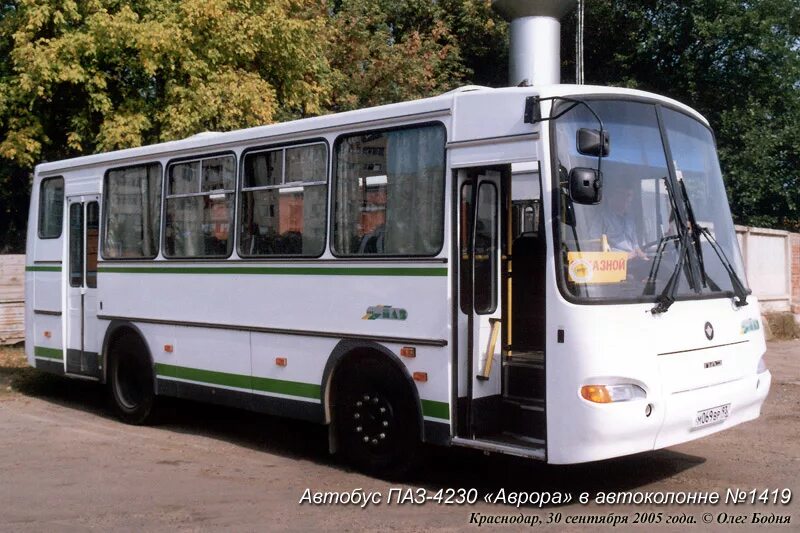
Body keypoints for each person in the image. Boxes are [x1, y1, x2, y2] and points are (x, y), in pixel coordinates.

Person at [601, 188, 647, 259]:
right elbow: (594, 245)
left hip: (633, 260)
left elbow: (635, 245)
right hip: (614, 264)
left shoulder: (630, 219)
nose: (628, 199)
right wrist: (623, 257)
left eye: (630, 196)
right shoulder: (603, 218)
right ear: (615, 197)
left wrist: (643, 256)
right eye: (625, 196)